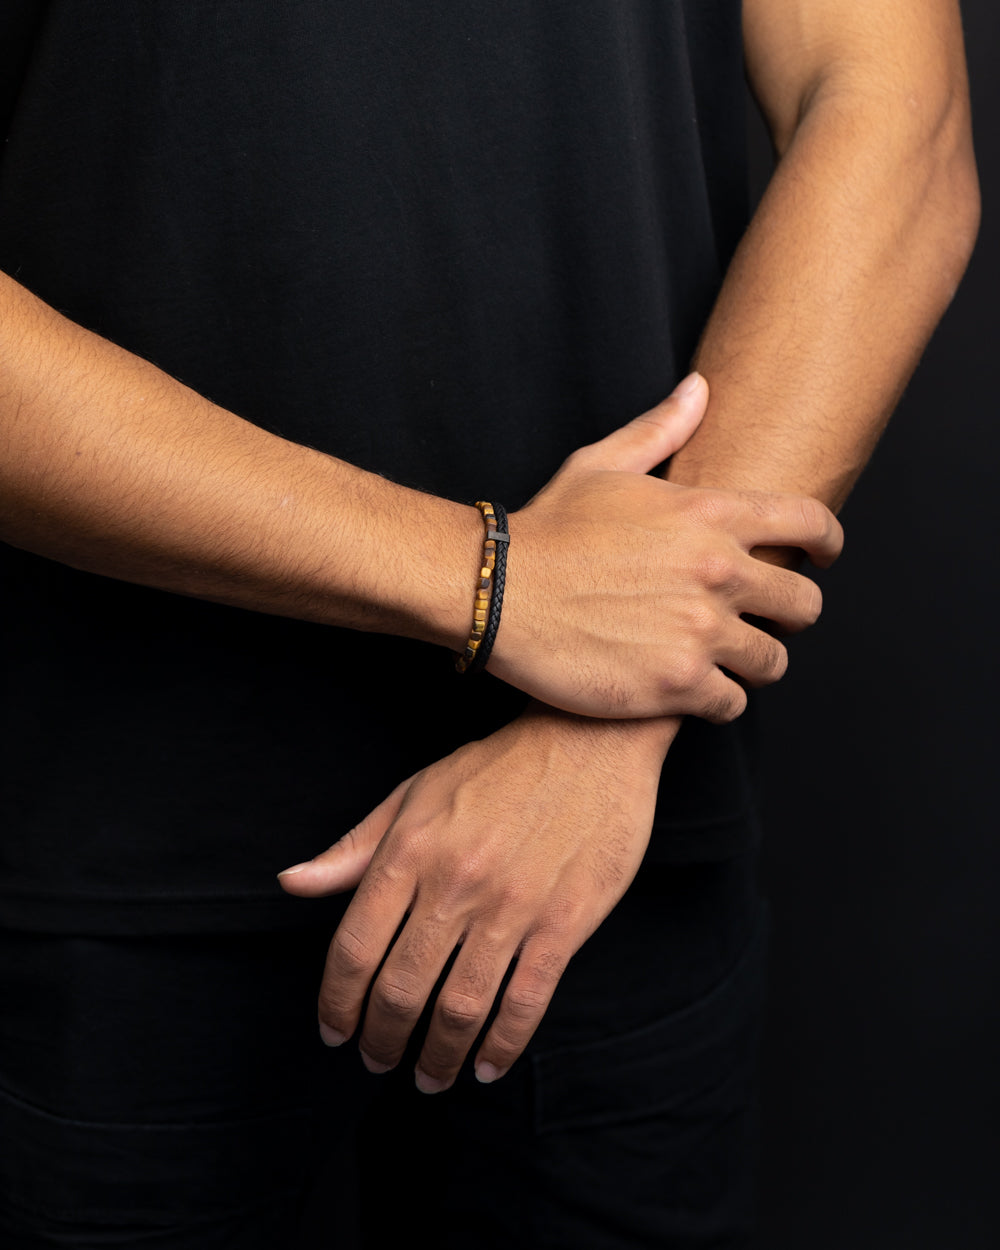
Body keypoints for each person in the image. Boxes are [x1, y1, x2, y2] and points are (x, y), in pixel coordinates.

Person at [0, 1, 978, 1247]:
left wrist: (612, 720)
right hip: (94, 853)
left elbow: (894, 116)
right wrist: (493, 580)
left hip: (600, 854)